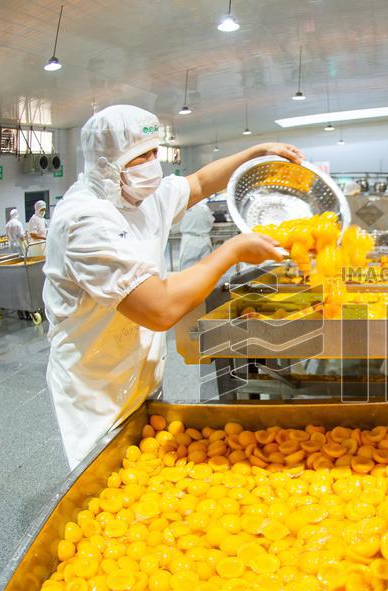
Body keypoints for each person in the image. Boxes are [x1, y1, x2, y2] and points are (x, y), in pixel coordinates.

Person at [43, 104, 303, 469]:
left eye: (155, 152)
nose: (153, 164)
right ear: (107, 162)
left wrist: (255, 154)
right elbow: (159, 308)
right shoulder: (85, 219)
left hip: (140, 368)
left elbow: (199, 183)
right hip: (96, 382)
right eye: (141, 155)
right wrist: (234, 250)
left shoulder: (142, 196)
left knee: (147, 462)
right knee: (108, 481)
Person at [176, 200, 214, 270]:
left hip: (190, 240)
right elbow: (211, 222)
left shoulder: (184, 208)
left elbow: (175, 225)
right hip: (205, 239)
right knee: (206, 267)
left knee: (187, 269)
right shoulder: (205, 208)